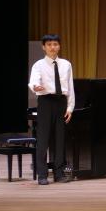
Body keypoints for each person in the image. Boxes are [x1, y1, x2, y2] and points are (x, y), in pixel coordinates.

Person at [28, 34, 75, 184]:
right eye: (49, 44)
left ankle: (59, 173)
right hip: (46, 101)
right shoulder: (38, 65)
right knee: (43, 140)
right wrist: (36, 87)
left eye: (55, 44)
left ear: (59, 46)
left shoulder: (66, 64)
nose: (52, 47)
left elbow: (70, 87)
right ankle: (42, 175)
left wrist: (70, 107)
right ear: (44, 47)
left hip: (61, 102)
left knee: (60, 139)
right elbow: (33, 81)